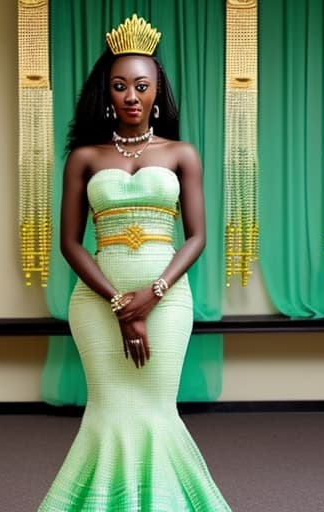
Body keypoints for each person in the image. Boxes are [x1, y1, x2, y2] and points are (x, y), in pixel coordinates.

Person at [39, 14, 231, 512]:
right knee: (107, 410)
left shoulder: (182, 154)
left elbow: (198, 237)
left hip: (167, 303)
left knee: (154, 409)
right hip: (97, 305)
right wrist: (122, 303)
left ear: (156, 94)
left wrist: (152, 295)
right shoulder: (83, 156)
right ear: (106, 92)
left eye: (141, 86)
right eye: (119, 86)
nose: (130, 96)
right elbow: (70, 244)